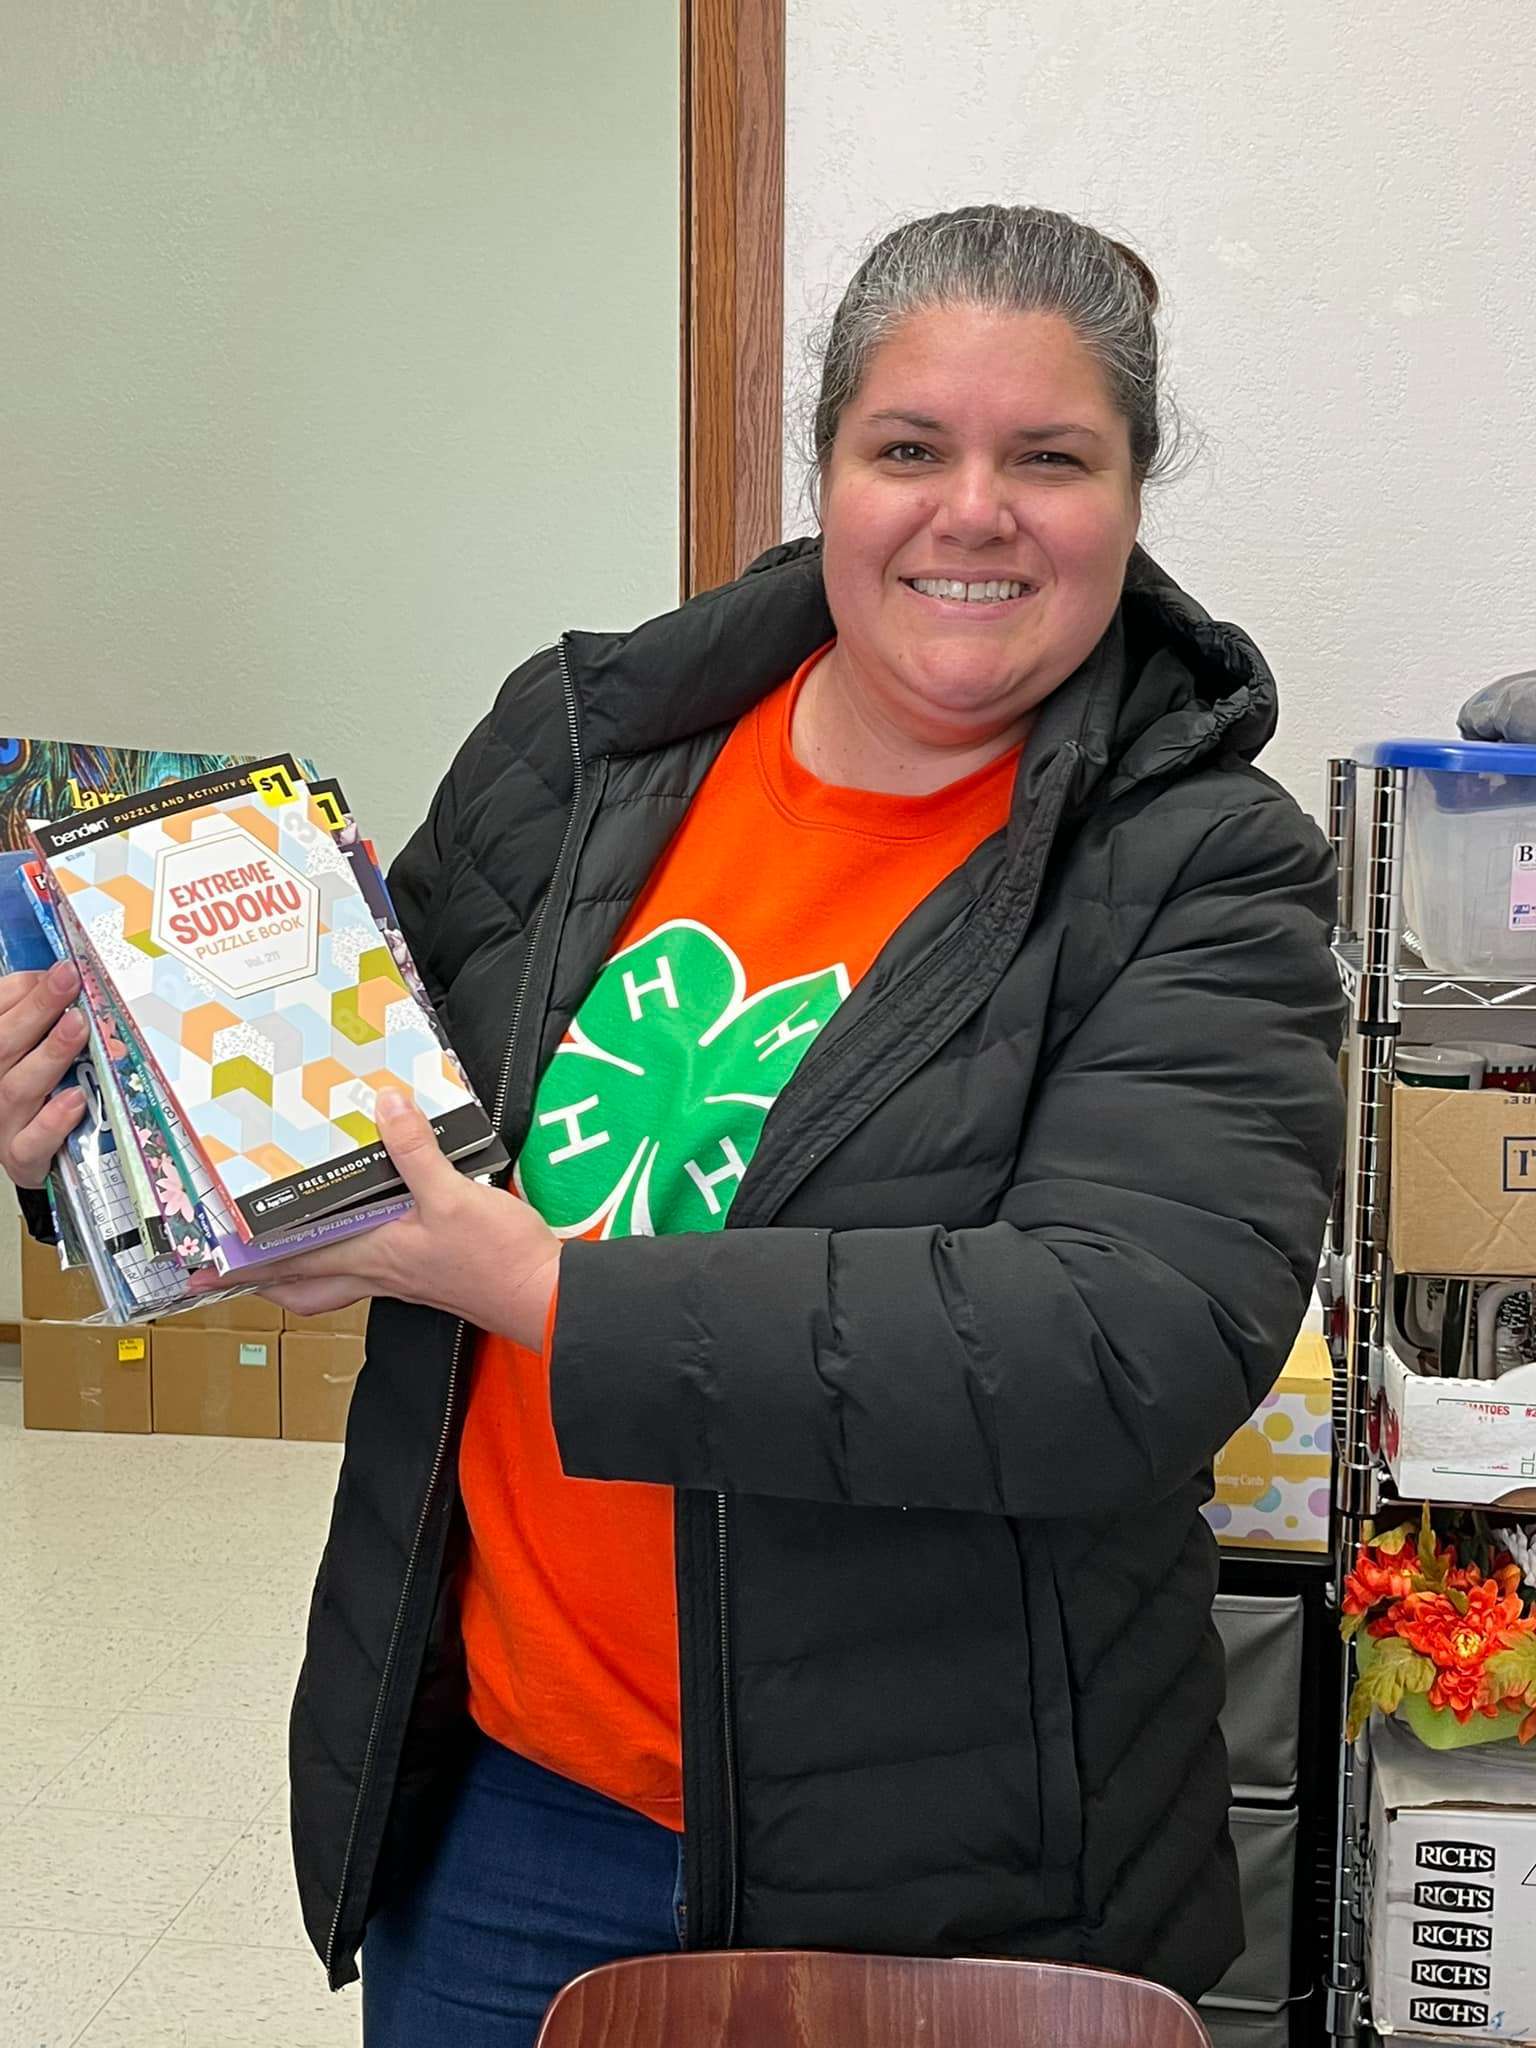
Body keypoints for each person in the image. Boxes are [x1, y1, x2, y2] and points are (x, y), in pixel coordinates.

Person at [1, 204, 1345, 2045]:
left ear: (1131, 494)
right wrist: (103, 1136)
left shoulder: (1205, 865)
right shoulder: (584, 749)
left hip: (945, 1875)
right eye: (907, 449)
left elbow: (1121, 1343)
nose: (973, 511)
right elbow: (370, 1112)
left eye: (1050, 457)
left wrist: (547, 1289)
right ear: (825, 475)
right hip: (511, 1805)